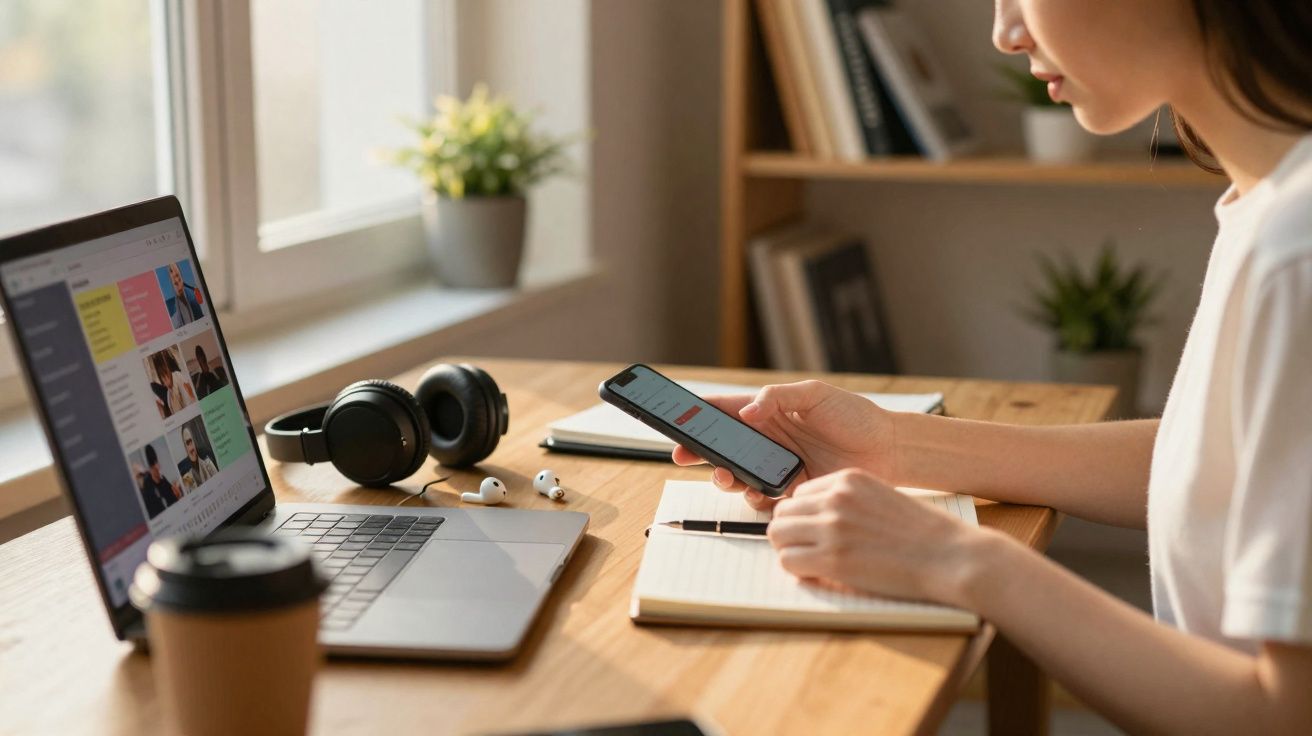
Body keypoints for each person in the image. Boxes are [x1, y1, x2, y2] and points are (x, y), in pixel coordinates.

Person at [675, 2, 1312, 732]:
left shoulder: (1297, 253)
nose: (1005, 33)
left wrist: (958, 561)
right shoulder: (1270, 206)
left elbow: (1282, 717)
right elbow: (1220, 465)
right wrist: (895, 446)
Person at [136, 443, 180, 518]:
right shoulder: (147, 489)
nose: (158, 467)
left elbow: (174, 497)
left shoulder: (162, 479)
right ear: (150, 468)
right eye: (154, 465)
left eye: (157, 463)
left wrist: (177, 495)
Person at [176, 425, 219, 492]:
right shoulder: (185, 473)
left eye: (192, 441)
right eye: (188, 443)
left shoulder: (208, 460)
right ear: (185, 446)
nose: (192, 448)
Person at [165, 262, 203, 329]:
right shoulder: (175, 306)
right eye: (176, 283)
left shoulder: (193, 296)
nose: (176, 280)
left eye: (179, 279)